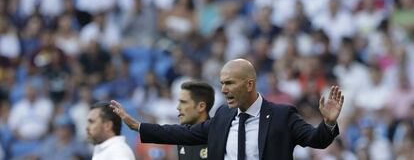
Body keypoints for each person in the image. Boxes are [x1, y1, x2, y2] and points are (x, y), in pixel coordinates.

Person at [111, 58, 344, 160]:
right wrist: (139, 127)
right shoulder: (223, 115)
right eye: (222, 83)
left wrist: (329, 123)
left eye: (230, 83)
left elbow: (317, 140)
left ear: (249, 84)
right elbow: (183, 133)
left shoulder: (283, 116)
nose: (223, 90)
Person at [176, 81, 214, 160]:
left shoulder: (218, 137)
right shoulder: (181, 136)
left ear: (201, 106)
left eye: (183, 102)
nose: (178, 107)